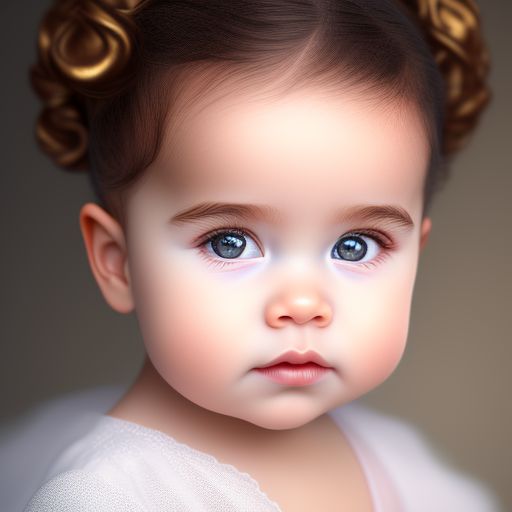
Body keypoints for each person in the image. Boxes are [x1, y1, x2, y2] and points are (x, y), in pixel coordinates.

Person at [12, 0, 501, 510]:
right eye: (231, 242)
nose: (304, 303)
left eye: (354, 246)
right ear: (118, 261)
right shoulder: (107, 497)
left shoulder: (405, 464)